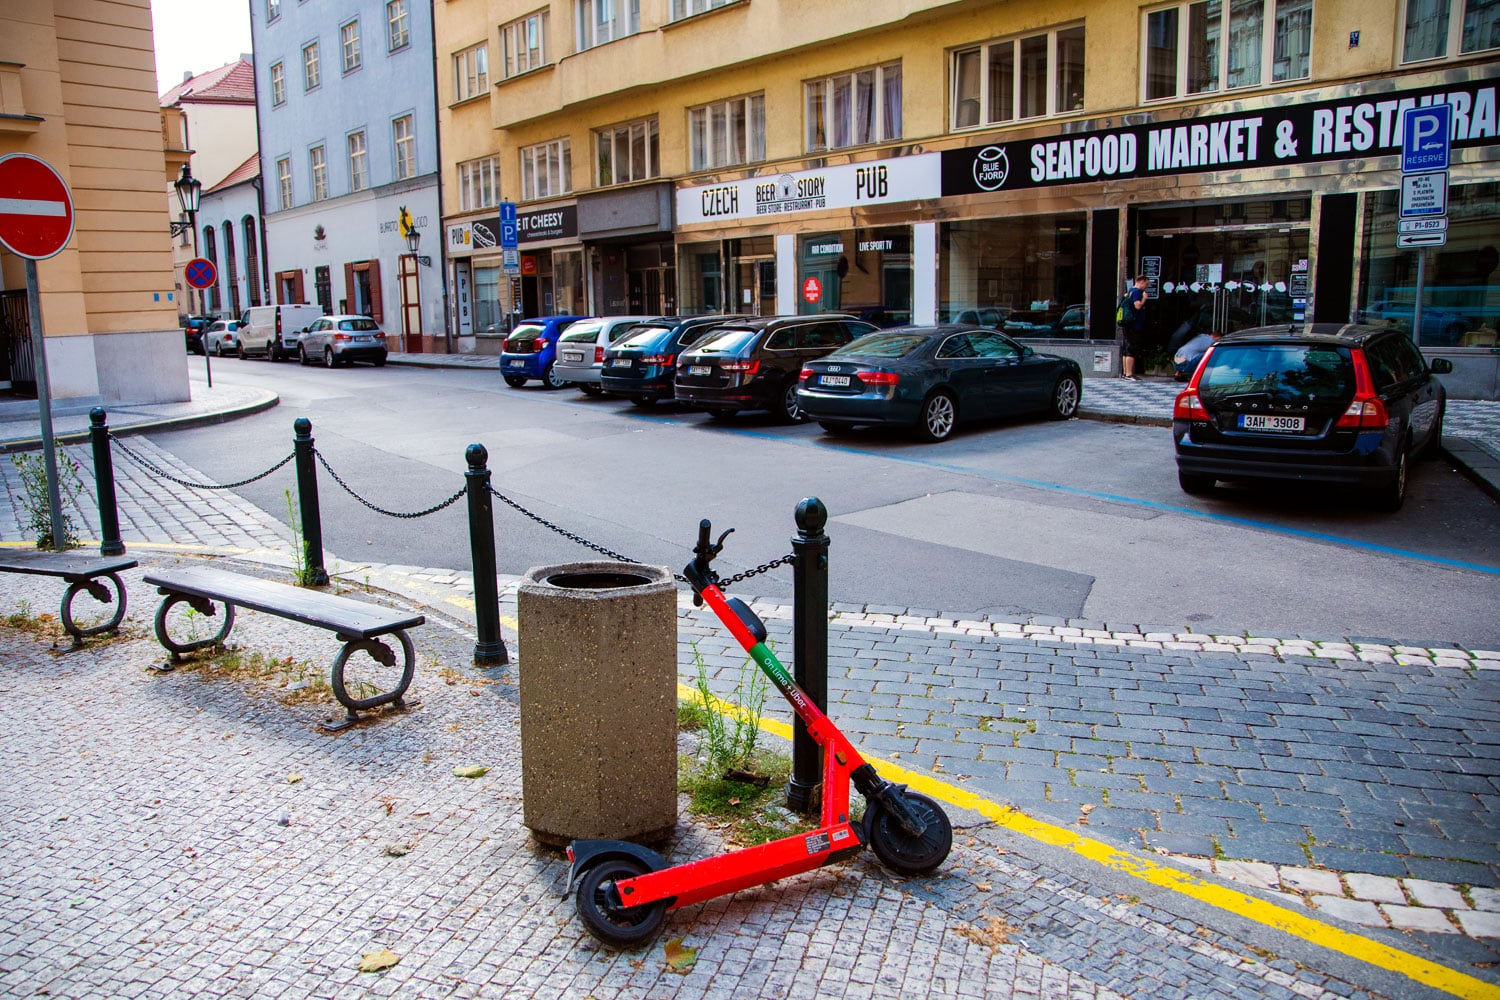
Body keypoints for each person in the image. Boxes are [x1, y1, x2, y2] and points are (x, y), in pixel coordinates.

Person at [1120, 274, 1149, 380]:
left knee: (1127, 347)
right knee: (1131, 347)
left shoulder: (1130, 291)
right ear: (1141, 281)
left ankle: (1125, 372)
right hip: (1134, 324)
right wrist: (1144, 299)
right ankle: (1129, 373)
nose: (1146, 287)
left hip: (1128, 324)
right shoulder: (1137, 292)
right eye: (1146, 284)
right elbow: (1137, 305)